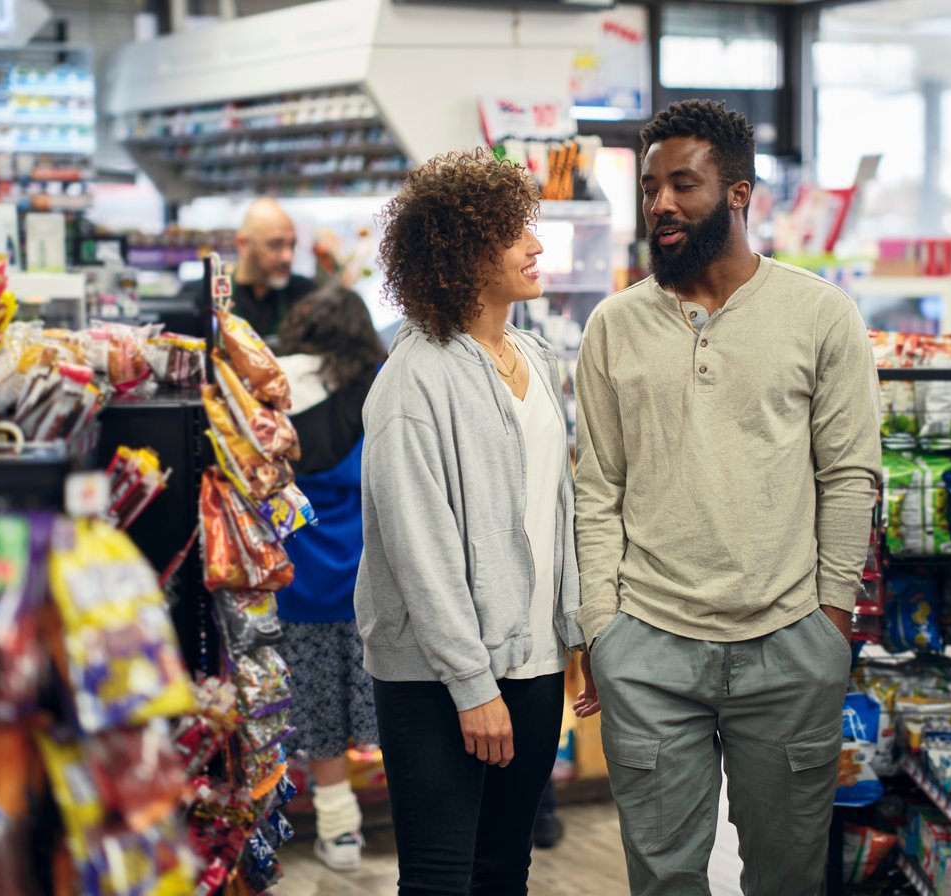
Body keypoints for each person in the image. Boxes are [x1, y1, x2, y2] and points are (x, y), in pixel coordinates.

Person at [571, 99, 882, 895]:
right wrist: (604, 629)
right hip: (649, 647)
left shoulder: (820, 315)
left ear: (739, 194)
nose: (661, 204)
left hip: (788, 643)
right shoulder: (614, 324)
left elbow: (850, 473)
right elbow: (597, 485)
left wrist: (830, 616)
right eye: (650, 187)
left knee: (785, 878)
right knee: (664, 880)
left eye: (684, 184)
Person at [355, 147, 588, 895]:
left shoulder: (533, 356)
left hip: (533, 659)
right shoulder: (411, 383)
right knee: (439, 877)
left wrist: (573, 627)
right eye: (513, 232)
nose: (537, 245)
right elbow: (419, 551)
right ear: (460, 251)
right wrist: (471, 684)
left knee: (504, 868)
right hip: (435, 675)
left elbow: (559, 503)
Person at [272, 284, 386, 871]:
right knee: (390, 705)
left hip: (297, 578)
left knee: (314, 713)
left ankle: (339, 831)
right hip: (371, 581)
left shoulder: (275, 391)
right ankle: (419, 817)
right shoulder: (382, 386)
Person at [175, 198, 316, 345]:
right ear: (243, 244)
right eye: (275, 245)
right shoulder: (202, 295)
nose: (288, 257)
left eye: (292, 245)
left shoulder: (304, 293)